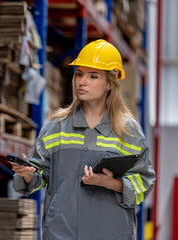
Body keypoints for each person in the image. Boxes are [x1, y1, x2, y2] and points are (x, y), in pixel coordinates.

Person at [11, 39, 156, 240]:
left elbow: (145, 181)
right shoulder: (56, 128)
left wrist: (111, 183)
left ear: (109, 84)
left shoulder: (127, 131)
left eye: (93, 76)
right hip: (61, 234)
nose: (82, 81)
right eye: (79, 74)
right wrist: (27, 174)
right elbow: (39, 177)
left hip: (111, 234)